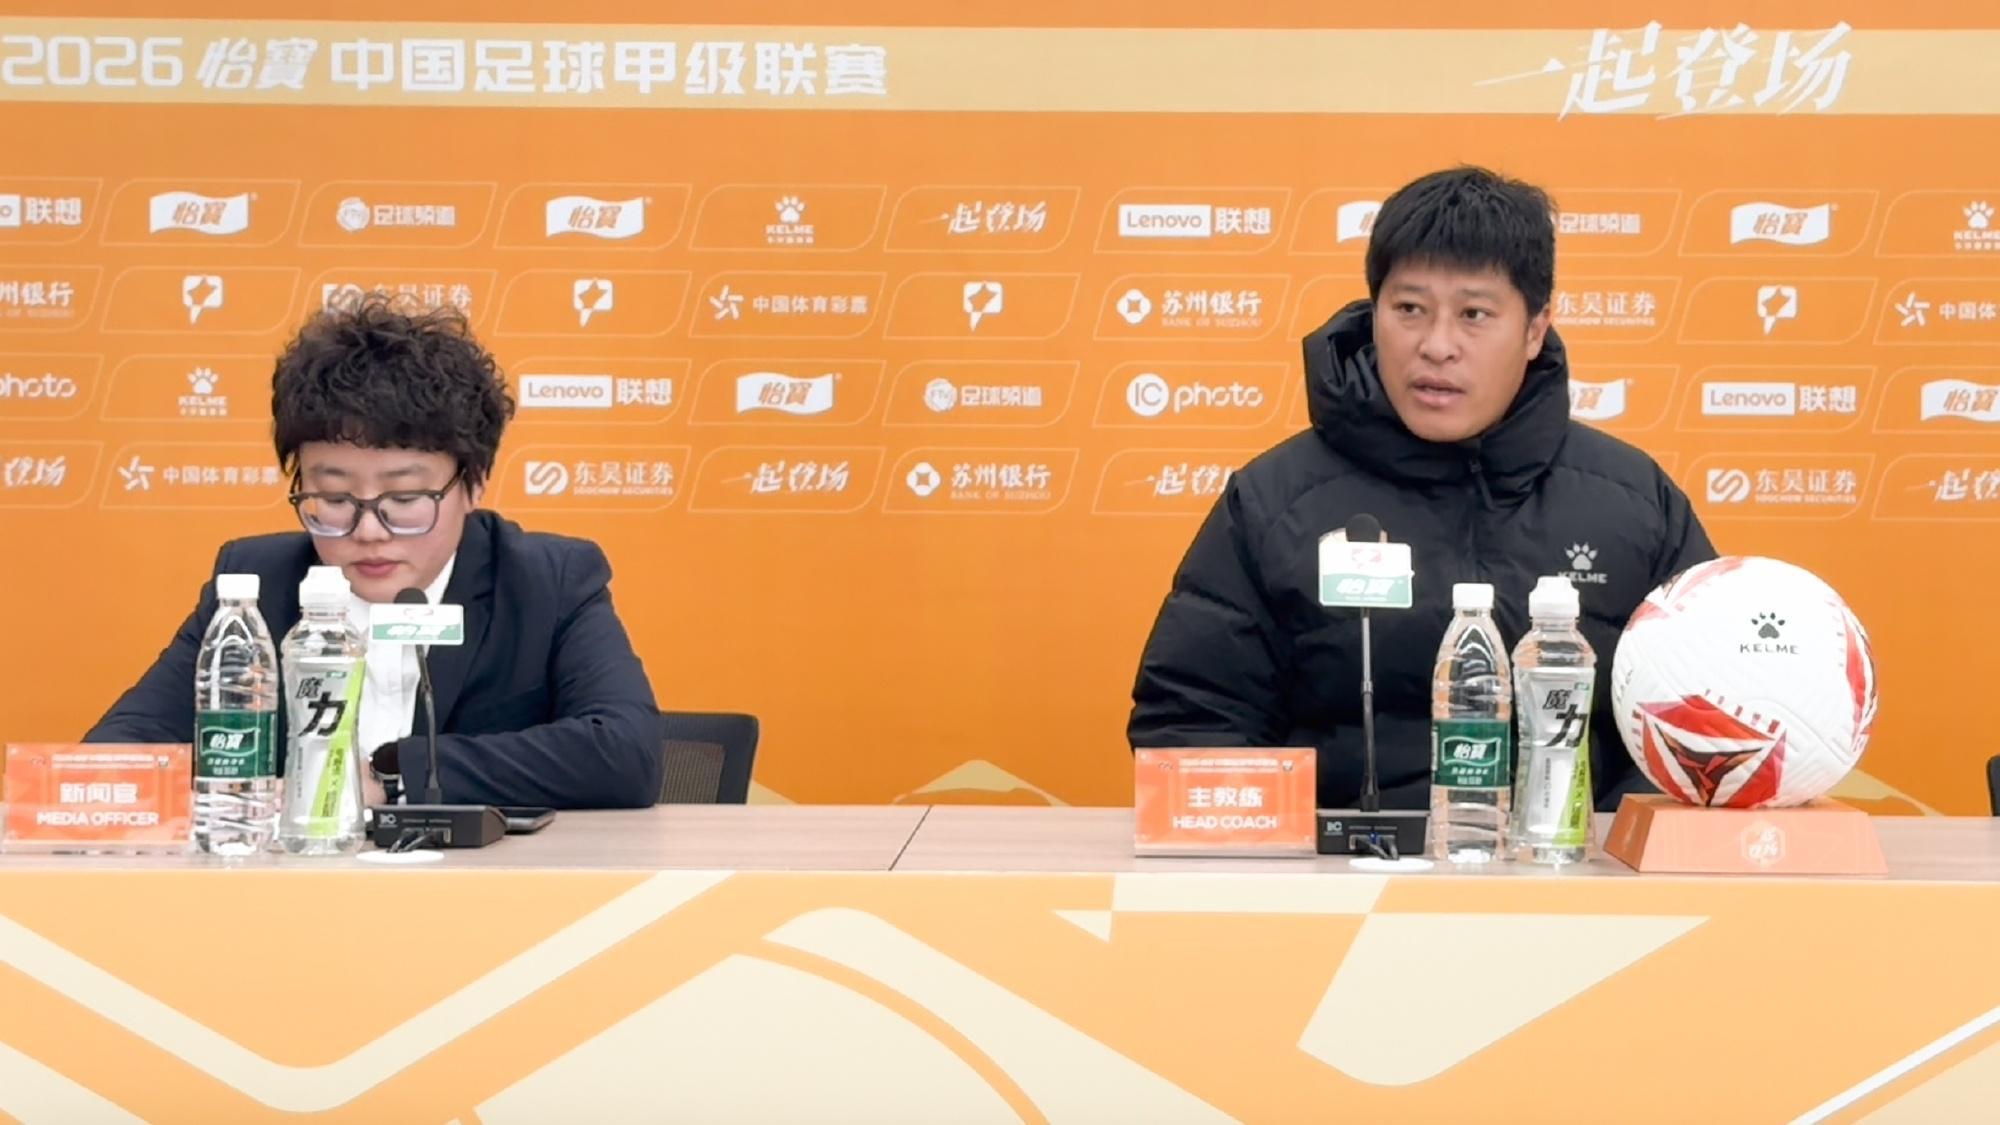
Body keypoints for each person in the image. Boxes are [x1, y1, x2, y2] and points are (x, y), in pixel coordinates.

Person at [1127, 165, 1715, 812]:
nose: (1437, 346)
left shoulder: (1634, 503)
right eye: (1409, 309)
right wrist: (1307, 847)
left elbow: (1705, 722)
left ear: (1534, 329)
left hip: (1570, 863)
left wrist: (1603, 843)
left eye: (1474, 314)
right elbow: (1194, 721)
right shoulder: (1276, 500)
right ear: (1373, 310)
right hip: (1337, 866)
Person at [84, 293, 664, 809]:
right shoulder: (256, 584)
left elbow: (624, 753)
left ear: (474, 483)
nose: (367, 530)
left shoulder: (547, 580)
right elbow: (117, 754)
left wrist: (388, 776)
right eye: (334, 498)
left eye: (404, 498)